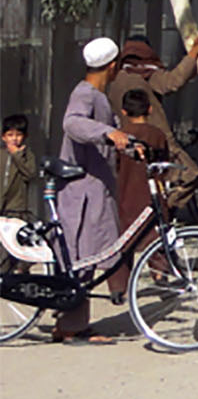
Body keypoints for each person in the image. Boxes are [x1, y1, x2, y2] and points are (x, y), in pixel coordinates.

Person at [53, 38, 132, 343]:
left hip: (95, 189)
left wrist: (129, 143)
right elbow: (72, 123)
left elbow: (110, 136)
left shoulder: (98, 96)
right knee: (81, 258)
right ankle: (71, 326)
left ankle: (71, 323)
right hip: (83, 192)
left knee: (86, 258)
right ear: (113, 66)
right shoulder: (85, 94)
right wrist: (107, 132)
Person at [109, 35, 198, 208]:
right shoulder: (146, 74)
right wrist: (194, 53)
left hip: (125, 142)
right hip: (155, 140)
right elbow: (174, 81)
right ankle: (163, 209)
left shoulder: (115, 79)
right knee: (191, 174)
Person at [107, 88, 170, 302]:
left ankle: (118, 288)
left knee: (123, 243)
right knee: (156, 239)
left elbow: (114, 165)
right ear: (150, 109)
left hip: (124, 196)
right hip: (151, 196)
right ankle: (160, 277)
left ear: (124, 112)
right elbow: (163, 164)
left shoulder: (120, 136)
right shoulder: (157, 135)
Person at [0, 114, 36, 276]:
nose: (14, 139)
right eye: (10, 135)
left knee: (18, 246)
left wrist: (17, 155)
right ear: (3, 137)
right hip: (2, 210)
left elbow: (30, 173)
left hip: (17, 209)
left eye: (18, 135)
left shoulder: (27, 155)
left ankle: (21, 274)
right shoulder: (1, 155)